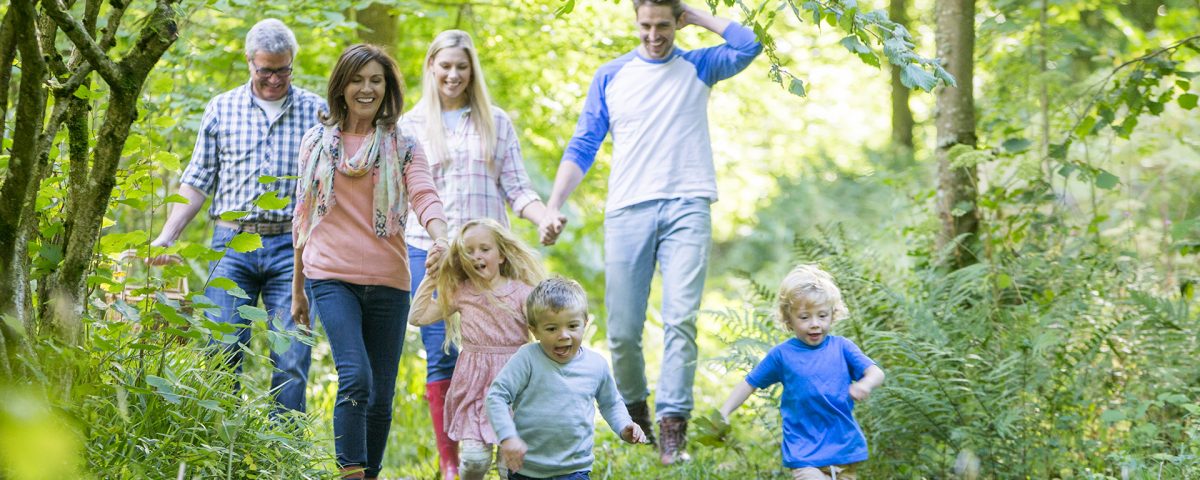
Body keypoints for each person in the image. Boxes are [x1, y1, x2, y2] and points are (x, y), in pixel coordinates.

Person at [539, 0, 762, 464]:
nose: (654, 35)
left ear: (675, 21)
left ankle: (673, 425)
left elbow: (749, 44)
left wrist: (697, 16)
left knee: (681, 318)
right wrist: (554, 205)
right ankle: (637, 415)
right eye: (646, 26)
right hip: (627, 210)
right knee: (621, 331)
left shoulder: (699, 65)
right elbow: (584, 142)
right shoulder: (612, 75)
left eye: (663, 25)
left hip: (688, 204)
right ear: (635, 22)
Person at [399, 29, 564, 479]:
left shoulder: (496, 120)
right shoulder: (409, 125)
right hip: (430, 250)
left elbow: (517, 188)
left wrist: (543, 215)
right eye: (445, 65)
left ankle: (508, 444)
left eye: (461, 66)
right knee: (444, 355)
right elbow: (400, 196)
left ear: (472, 70)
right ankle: (452, 460)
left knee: (505, 349)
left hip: (489, 251)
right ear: (431, 66)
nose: (453, 74)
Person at [290, 44, 449, 480]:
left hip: (388, 280)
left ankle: (370, 474)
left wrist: (442, 238)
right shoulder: (316, 142)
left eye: (375, 80)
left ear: (387, 88)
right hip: (330, 276)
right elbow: (301, 216)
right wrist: (297, 290)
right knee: (356, 377)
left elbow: (423, 195)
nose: (366, 88)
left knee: (380, 395)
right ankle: (350, 473)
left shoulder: (402, 144)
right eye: (357, 79)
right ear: (341, 86)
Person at [150, 19, 324, 414]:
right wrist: (168, 234)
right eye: (266, 70)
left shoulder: (317, 111)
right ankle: (222, 443)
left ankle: (283, 453)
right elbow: (196, 181)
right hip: (231, 244)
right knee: (221, 347)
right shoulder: (221, 108)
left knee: (292, 353)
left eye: (284, 69)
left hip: (293, 248)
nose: (276, 79)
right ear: (249, 62)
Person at [718, 265, 886, 480]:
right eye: (804, 317)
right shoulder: (782, 355)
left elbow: (876, 372)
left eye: (822, 316)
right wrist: (724, 411)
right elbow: (750, 383)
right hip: (803, 449)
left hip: (843, 448)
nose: (815, 324)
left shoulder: (842, 348)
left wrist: (865, 384)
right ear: (788, 319)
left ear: (833, 315)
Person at [409, 218, 546, 480]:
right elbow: (417, 317)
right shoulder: (462, 293)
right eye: (469, 251)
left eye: (484, 249)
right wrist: (431, 276)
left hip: (514, 385)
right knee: (473, 462)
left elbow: (545, 330)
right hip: (474, 385)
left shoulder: (523, 294)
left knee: (511, 468)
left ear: (502, 255)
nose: (476, 256)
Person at [486, 277, 648, 479]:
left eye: (572, 326)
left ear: (584, 324)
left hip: (574, 470)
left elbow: (611, 403)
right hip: (527, 469)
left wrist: (625, 426)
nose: (563, 335)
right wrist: (508, 437)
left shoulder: (596, 365)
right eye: (552, 328)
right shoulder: (527, 359)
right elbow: (497, 396)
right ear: (534, 330)